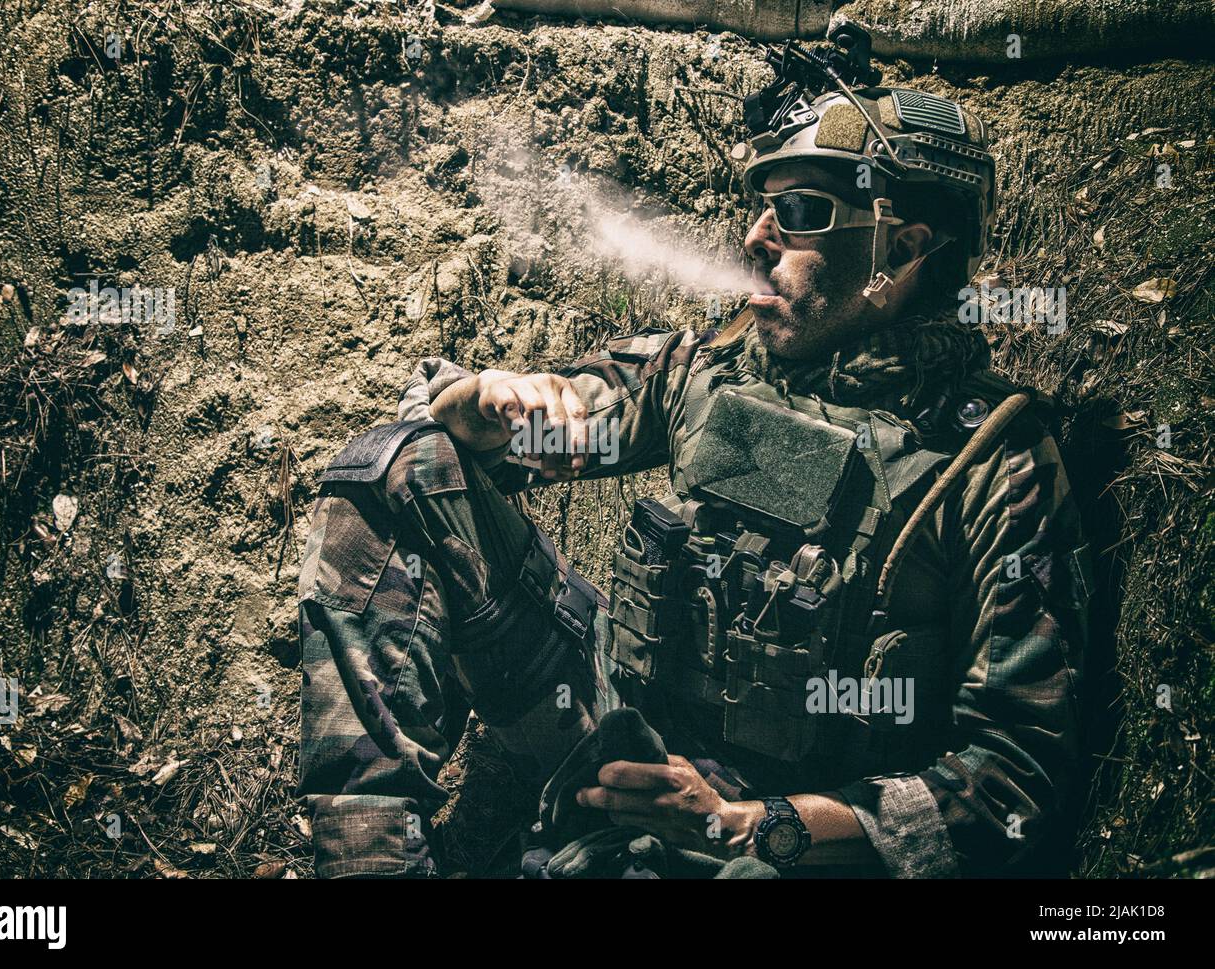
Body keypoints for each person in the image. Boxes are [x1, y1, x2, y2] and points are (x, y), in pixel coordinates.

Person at [295, 63, 1092, 878]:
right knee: (401, 467)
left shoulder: (996, 460)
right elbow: (564, 418)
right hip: (618, 737)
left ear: (905, 249)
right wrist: (487, 408)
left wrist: (755, 825)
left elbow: (1014, 781)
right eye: (760, 208)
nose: (756, 236)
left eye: (800, 213)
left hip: (784, 846)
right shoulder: (712, 366)